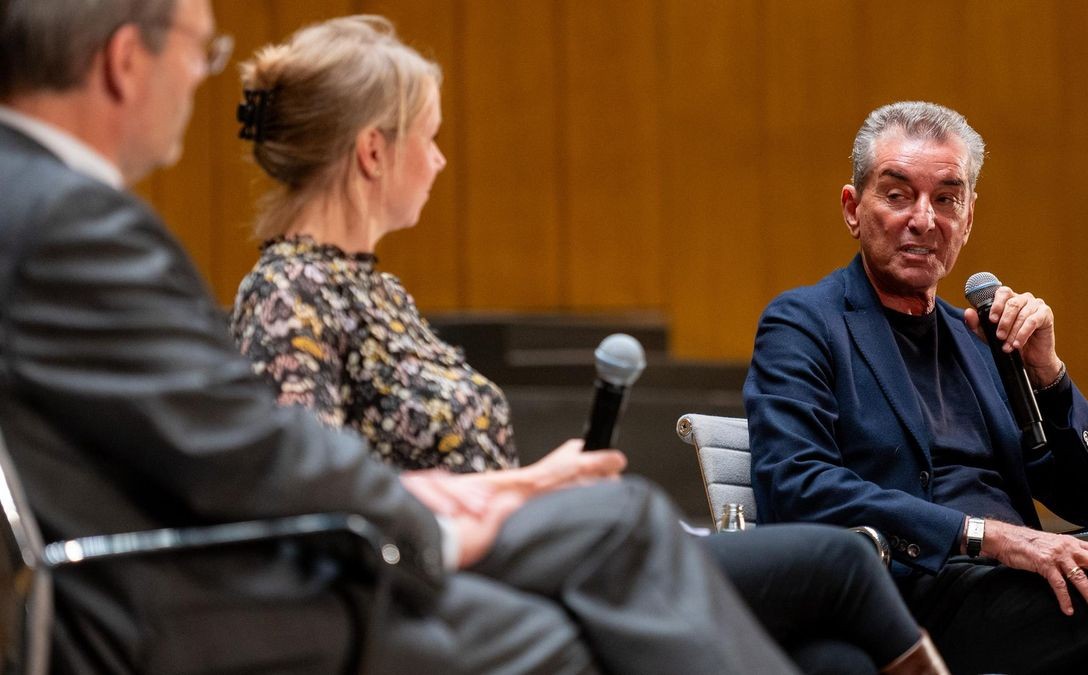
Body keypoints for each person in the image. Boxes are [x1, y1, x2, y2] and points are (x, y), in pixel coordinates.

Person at [0, 1, 814, 672]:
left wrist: (466, 493)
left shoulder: (43, 206)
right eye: (197, 50)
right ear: (124, 61)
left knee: (624, 540)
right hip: (199, 595)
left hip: (217, 558)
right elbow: (245, 450)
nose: (200, 74)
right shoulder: (73, 222)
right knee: (598, 590)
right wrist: (429, 518)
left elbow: (217, 439)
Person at [227, 15, 950, 675]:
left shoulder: (372, 288)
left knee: (834, 658)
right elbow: (318, 508)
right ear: (374, 153)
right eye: (431, 136)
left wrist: (539, 482)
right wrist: (524, 488)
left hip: (520, 545)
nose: (442, 160)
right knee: (841, 562)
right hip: (451, 578)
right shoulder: (289, 291)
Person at [744, 100, 1088, 673]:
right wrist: (984, 535)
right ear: (852, 209)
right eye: (897, 194)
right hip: (912, 598)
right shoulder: (805, 324)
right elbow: (796, 484)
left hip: (1021, 600)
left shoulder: (980, 340)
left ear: (969, 217)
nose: (924, 219)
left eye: (946, 199)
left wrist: (1050, 376)